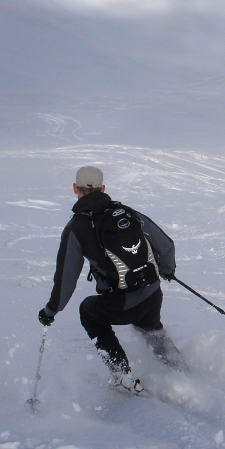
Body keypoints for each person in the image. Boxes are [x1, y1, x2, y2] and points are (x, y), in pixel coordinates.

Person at [38, 166, 185, 393]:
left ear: (75, 188)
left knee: (89, 312)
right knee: (151, 327)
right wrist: (167, 270)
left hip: (122, 303)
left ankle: (122, 374)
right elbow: (166, 245)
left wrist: (51, 311)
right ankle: (182, 369)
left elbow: (66, 278)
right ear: (103, 188)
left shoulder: (76, 227)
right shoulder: (125, 212)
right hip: (152, 292)